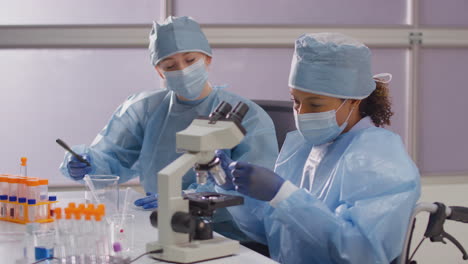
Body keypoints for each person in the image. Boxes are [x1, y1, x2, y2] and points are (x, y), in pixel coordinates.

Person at [59, 16, 279, 241]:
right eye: (170, 66)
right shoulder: (145, 109)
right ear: (160, 72)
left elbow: (258, 193)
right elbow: (111, 158)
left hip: (226, 233)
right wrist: (88, 163)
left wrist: (191, 197)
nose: (182, 70)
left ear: (208, 59)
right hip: (158, 223)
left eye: (190, 60)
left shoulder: (250, 116)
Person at [214, 33, 421, 263]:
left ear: (354, 100)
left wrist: (283, 195)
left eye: (315, 104)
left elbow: (361, 252)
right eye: (296, 101)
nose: (301, 113)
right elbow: (271, 233)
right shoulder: (301, 148)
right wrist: (236, 192)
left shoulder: (380, 160)